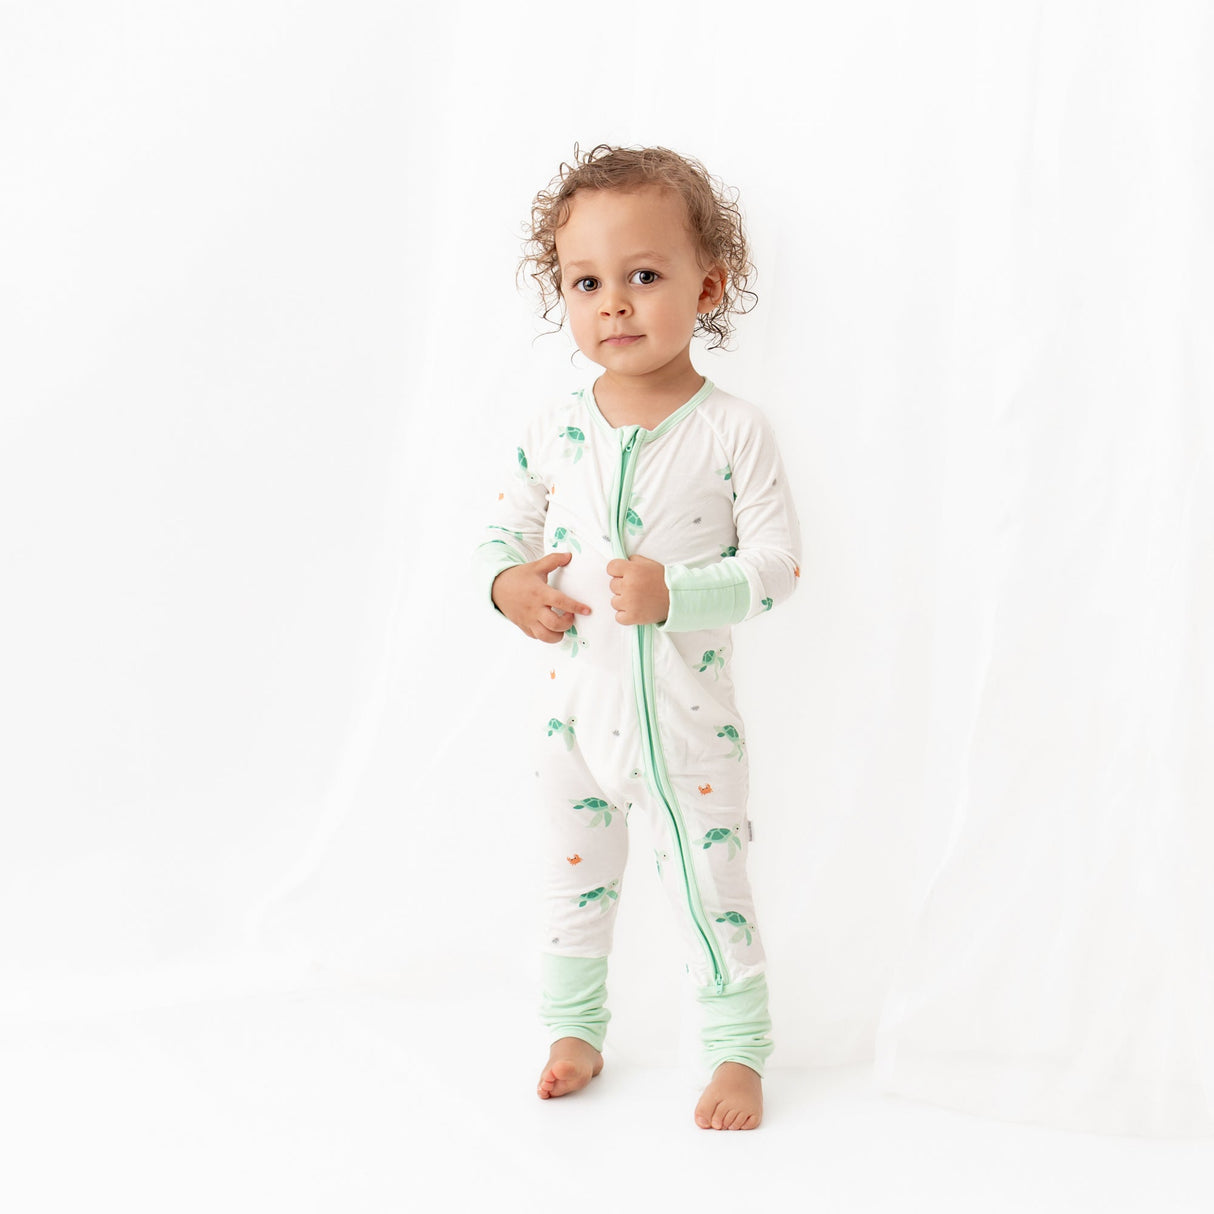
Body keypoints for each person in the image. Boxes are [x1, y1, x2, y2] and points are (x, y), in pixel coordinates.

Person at [476, 144, 800, 1130]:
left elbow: (777, 567)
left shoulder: (731, 430)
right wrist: (507, 587)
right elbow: (502, 536)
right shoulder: (554, 427)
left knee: (713, 889)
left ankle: (736, 1049)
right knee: (570, 880)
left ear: (708, 286)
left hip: (689, 733)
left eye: (644, 276)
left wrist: (676, 594)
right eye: (586, 283)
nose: (613, 304)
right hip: (575, 724)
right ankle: (573, 1029)